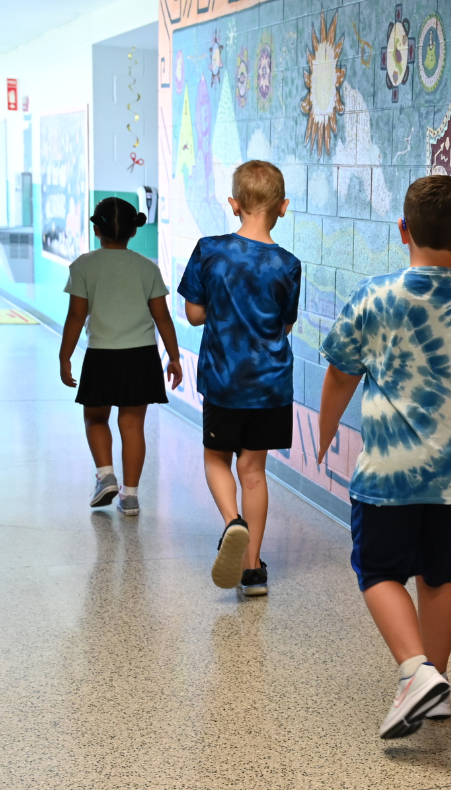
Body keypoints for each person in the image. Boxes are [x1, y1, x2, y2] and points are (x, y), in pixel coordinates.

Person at [314, 175, 451, 738]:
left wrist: (325, 431)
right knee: (440, 577)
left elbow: (340, 373)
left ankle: (415, 672)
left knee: (378, 571)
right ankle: (435, 683)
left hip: (388, 474)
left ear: (401, 229)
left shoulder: (375, 296)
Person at [177, 160, 302, 596]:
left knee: (217, 460)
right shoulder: (288, 264)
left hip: (223, 381)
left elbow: (193, 315)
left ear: (233, 205)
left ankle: (233, 523)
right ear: (282, 207)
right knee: (254, 472)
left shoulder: (209, 250)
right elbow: (285, 326)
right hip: (269, 385)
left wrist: (223, 309)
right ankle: (252, 572)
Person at [59, 197, 182, 515]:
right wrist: (174, 356)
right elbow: (163, 318)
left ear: (96, 229)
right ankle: (130, 496)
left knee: (95, 417)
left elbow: (75, 317)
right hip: (140, 356)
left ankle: (105, 475)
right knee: (132, 425)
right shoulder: (147, 267)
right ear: (133, 231)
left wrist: (65, 357)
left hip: (102, 355)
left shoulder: (84, 265)